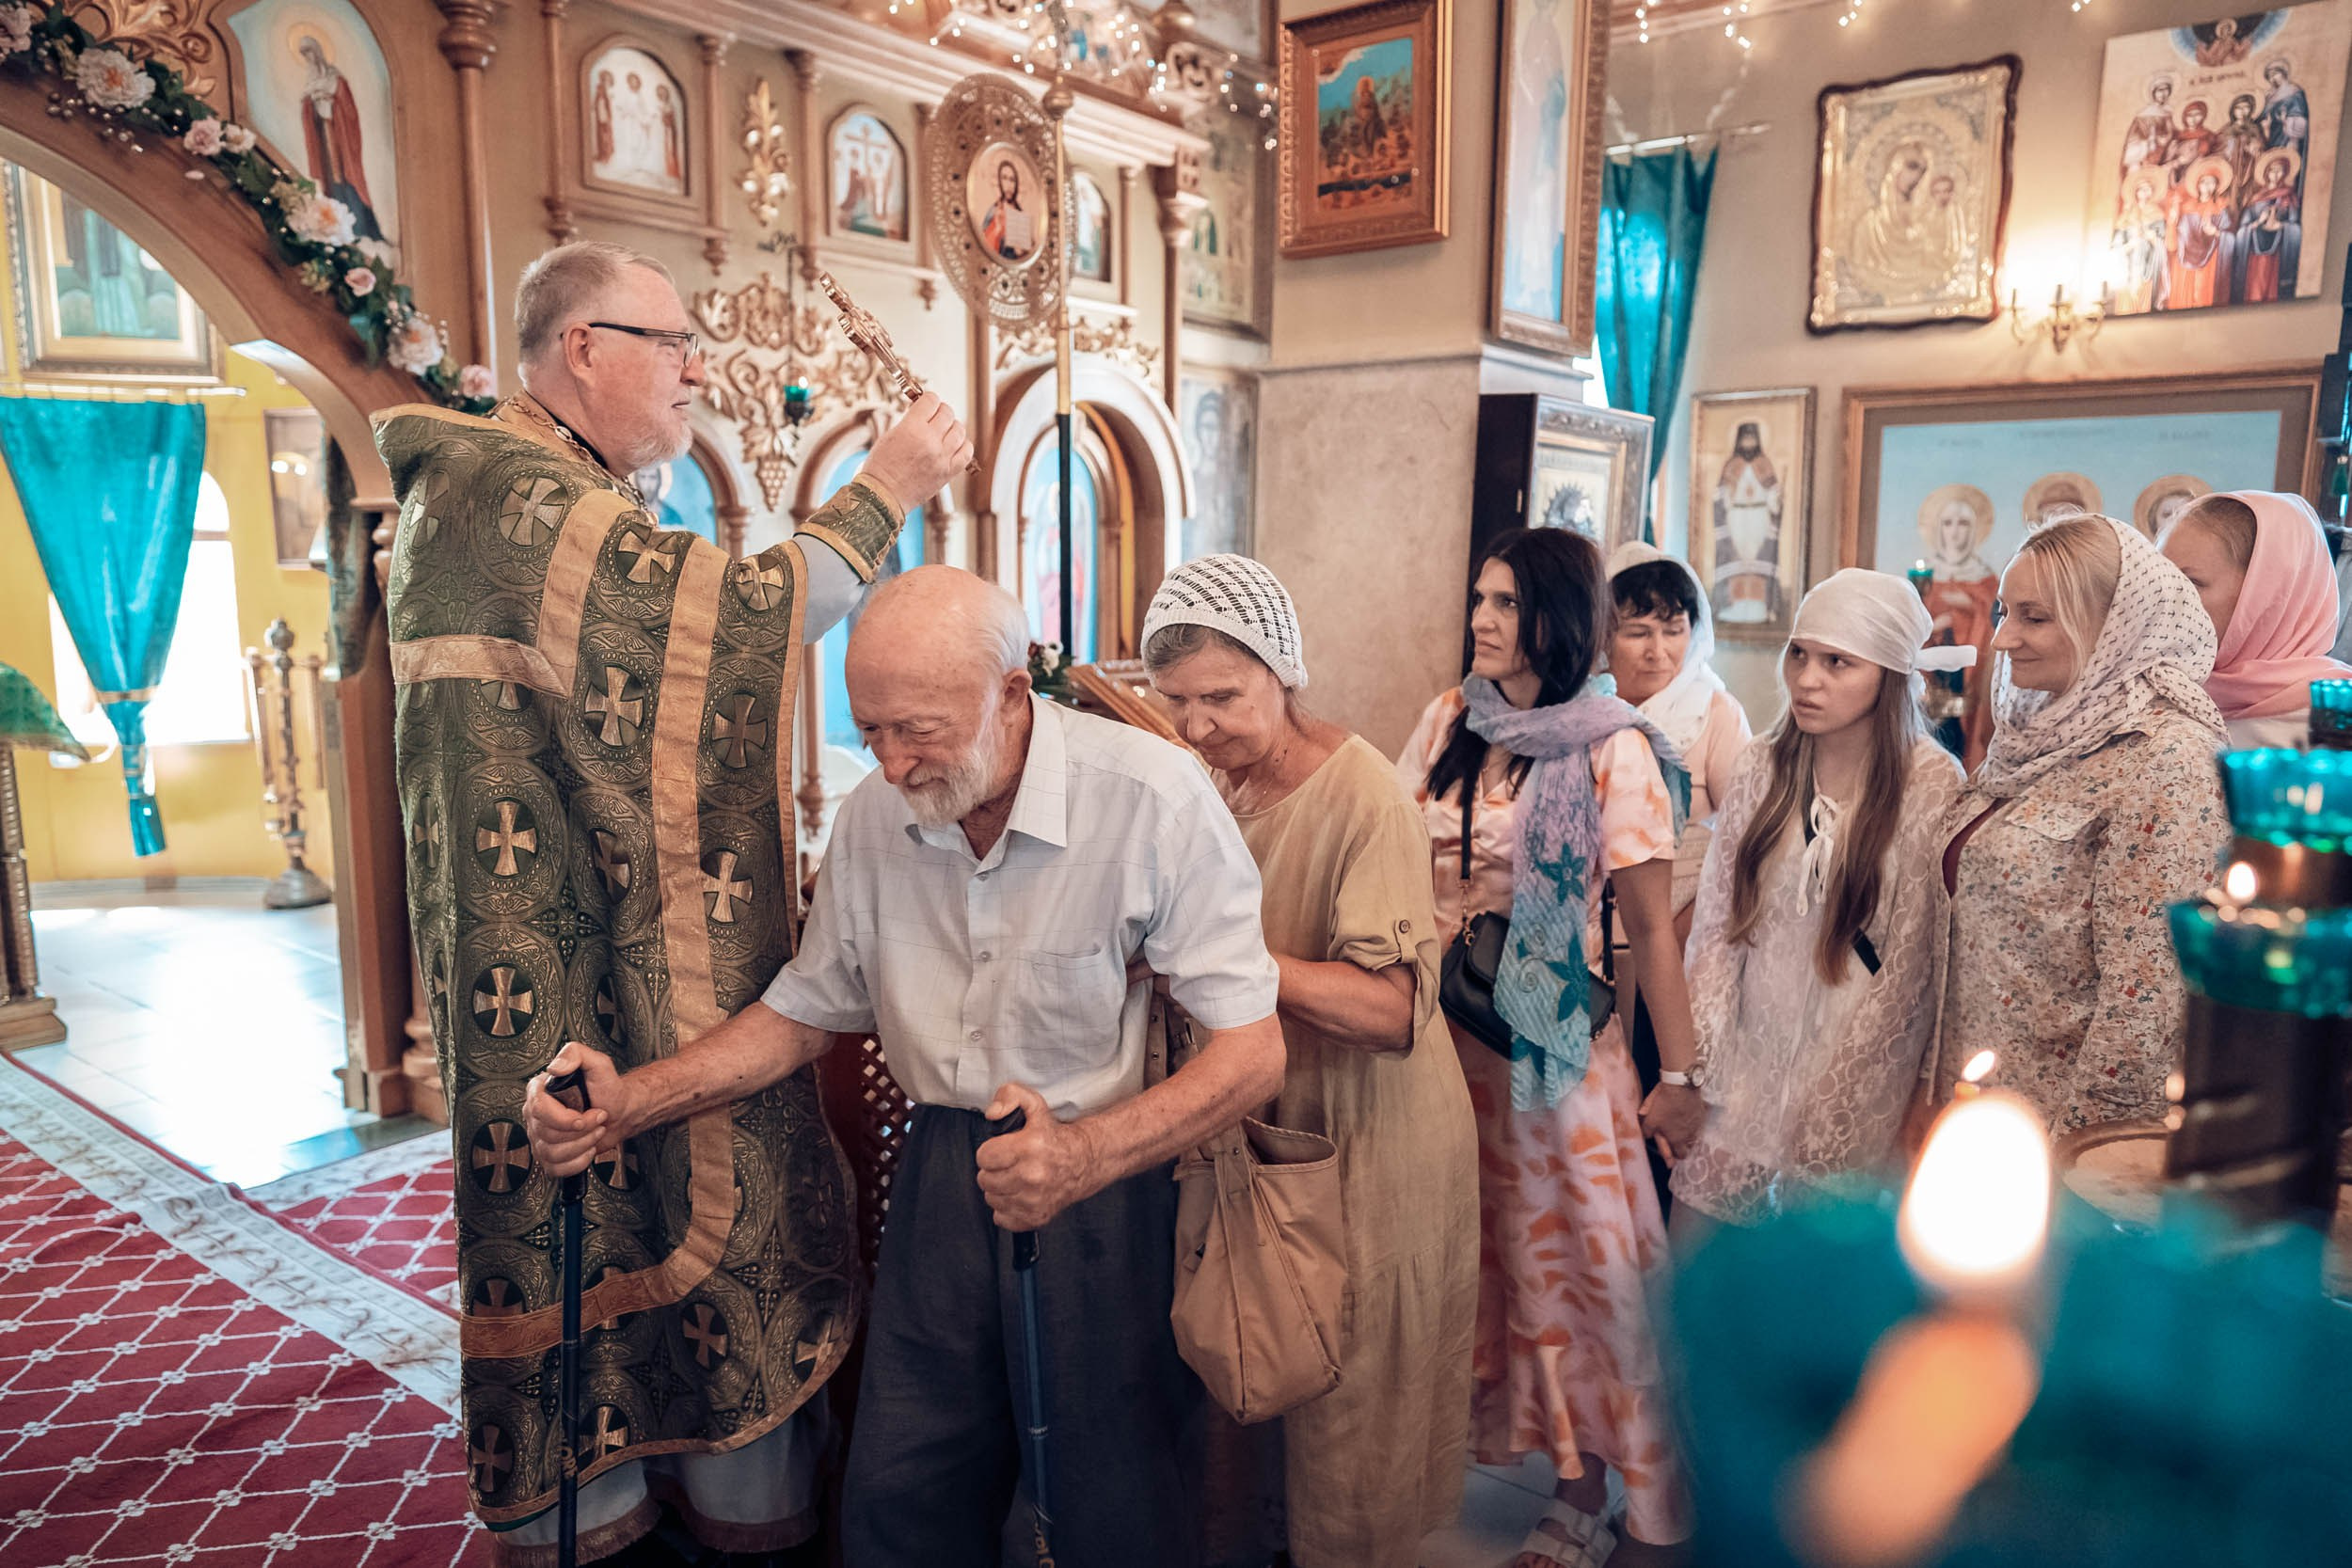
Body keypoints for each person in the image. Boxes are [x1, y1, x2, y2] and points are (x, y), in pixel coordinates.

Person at [375, 239, 971, 1565]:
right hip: (556, 984)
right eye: (675, 340)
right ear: (584, 347)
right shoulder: (511, 493)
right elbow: (738, 621)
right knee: (655, 1193)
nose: (700, 367)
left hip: (563, 950)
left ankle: (665, 1502)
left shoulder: (525, 489)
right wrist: (890, 487)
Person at [526, 565, 1288, 1568]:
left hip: (1101, 1183)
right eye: (869, 728)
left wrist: (1084, 1155)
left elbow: (1253, 1050)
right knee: (904, 1476)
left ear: (1013, 693)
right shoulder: (876, 817)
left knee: (1111, 1487)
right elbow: (807, 1008)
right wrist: (632, 1101)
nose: (888, 764)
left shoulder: (1149, 797)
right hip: (939, 1173)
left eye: (918, 729)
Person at [1139, 555, 1478, 1568]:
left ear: (1284, 675)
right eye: (1178, 703)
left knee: (1348, 1410)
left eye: (1223, 698)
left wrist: (1236, 963)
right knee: (1252, 1370)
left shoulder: (1363, 795)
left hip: (1366, 1135)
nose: (1198, 727)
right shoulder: (1207, 778)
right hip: (1259, 1123)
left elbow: (1390, 1007)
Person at [1397, 528, 1695, 1568]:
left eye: (1508, 603)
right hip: (1439, 1044)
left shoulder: (1613, 744)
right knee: (1468, 1264)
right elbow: (1393, 850)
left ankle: (1585, 1494)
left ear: (1559, 620)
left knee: (1576, 1271)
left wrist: (1686, 1075)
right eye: (1478, 598)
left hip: (1551, 1051)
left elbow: (1653, 926)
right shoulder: (1449, 719)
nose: (1482, 620)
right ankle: (1466, 1454)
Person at [1674, 571, 1967, 1240]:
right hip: (1744, 1076)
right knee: (1702, 1284)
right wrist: (1702, 1072)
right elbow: (1718, 926)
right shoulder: (1762, 766)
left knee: (1812, 1305)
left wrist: (1838, 1112)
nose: (1808, 679)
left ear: (1889, 672)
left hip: (1853, 1087)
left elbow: (1912, 973)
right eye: (1799, 654)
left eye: (1838, 662)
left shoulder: (1930, 783)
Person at [1931, 515, 2228, 1136]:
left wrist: (2077, 1164)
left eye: (2034, 617)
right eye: (2004, 613)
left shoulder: (2165, 758)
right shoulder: (2042, 723)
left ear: (2112, 621)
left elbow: (2147, 1003)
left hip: (2056, 1136)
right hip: (1978, 1105)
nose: (2005, 640)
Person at [1604, 543, 1751, 1216]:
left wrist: (1683, 923)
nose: (1658, 649)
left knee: (1658, 1128)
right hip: (1590, 952)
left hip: (1677, 946)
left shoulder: (1712, 713)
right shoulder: (1581, 713)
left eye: (1673, 628)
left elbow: (1746, 841)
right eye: (1637, 629)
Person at [2159, 489, 2352, 748]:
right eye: (2160, 579)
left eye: (2191, 583)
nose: (2163, 600)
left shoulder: (2338, 721)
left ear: (2267, 597)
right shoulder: (2159, 690)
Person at [1915, 483, 1999, 769]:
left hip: (1968, 677)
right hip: (1931, 675)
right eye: (1948, 523)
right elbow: (1911, 623)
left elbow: (1994, 626)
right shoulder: (1924, 575)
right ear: (1938, 528)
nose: (1954, 531)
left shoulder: (1987, 579)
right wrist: (1935, 624)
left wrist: (1970, 609)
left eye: (1963, 523)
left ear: (1974, 530)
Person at [982, 158, 1035, 261]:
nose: (1009, 185)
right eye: (1004, 178)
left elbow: (1029, 249)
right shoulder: (994, 211)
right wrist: (998, 231)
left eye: (1012, 180)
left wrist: (1024, 251)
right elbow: (985, 243)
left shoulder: (1022, 214)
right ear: (1000, 181)